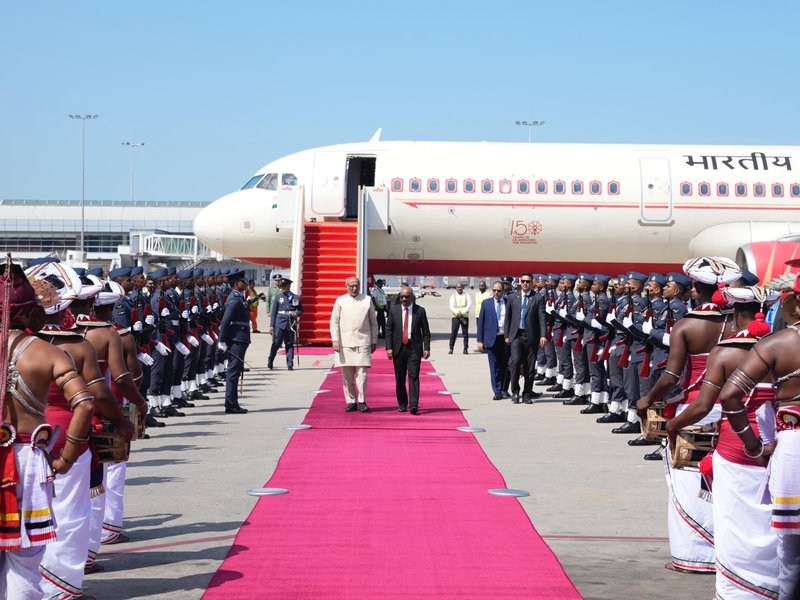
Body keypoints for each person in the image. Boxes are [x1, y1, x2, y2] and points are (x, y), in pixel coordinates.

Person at [666, 285, 780, 599]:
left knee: (733, 523)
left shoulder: (726, 351)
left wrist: (674, 425)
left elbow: (703, 406)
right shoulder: (781, 346)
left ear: (732, 314)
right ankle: (771, 587)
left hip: (737, 448)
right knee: (773, 520)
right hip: (778, 448)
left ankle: (739, 591)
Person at [637, 256, 742, 574]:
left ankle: (694, 557)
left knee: (688, 484)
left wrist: (648, 399)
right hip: (729, 411)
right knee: (719, 482)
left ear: (694, 288)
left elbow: (670, 377)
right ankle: (724, 552)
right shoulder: (734, 324)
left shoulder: (685, 327)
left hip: (693, 413)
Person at [0, 261, 96, 600]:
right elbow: (85, 403)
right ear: (28, 313)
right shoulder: (48, 352)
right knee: (26, 560)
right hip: (28, 461)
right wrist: (67, 457)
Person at [718, 262, 800, 599]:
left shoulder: (778, 344)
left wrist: (753, 446)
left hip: (793, 449)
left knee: (792, 554)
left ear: (791, 303)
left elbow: (730, 396)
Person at [330, 277, 378, 412]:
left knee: (362, 374)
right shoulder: (340, 300)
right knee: (347, 376)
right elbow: (334, 321)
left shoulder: (367, 300)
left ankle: (362, 401)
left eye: (356, 286)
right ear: (346, 286)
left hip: (363, 341)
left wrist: (374, 340)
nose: (354, 288)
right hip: (344, 342)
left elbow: (374, 322)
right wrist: (335, 339)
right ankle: (351, 401)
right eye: (351, 286)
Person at [386, 286, 431, 414]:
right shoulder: (393, 311)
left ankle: (414, 405)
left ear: (412, 297)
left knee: (414, 376)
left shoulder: (420, 311)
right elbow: (389, 330)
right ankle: (402, 403)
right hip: (398, 349)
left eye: (407, 297)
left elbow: (426, 332)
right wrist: (389, 348)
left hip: (414, 349)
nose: (404, 299)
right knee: (400, 378)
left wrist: (426, 347)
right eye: (402, 297)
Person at [504, 272, 547, 404]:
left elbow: (542, 318)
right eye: (523, 281)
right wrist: (506, 335)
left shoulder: (538, 298)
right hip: (516, 335)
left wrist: (543, 335)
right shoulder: (512, 297)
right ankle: (515, 391)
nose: (525, 284)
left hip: (532, 337)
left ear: (532, 283)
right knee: (515, 362)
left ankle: (527, 393)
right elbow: (508, 318)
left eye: (528, 281)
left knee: (529, 366)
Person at [218, 270, 251, 414]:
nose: (245, 283)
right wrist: (222, 339)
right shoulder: (234, 298)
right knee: (233, 372)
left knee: (236, 372)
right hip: (236, 339)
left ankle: (233, 402)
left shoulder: (239, 297)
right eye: (243, 281)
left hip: (240, 338)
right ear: (236, 284)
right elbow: (225, 320)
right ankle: (230, 404)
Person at [477, 281, 510, 400]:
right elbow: (481, 323)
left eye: (499, 290)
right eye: (494, 290)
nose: (496, 293)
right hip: (491, 338)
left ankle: (502, 388)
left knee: (504, 365)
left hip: (505, 339)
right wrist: (480, 340)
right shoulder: (486, 304)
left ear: (503, 291)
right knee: (494, 365)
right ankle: (497, 391)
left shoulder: (508, 302)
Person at [268, 278, 303, 370]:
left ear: (288, 287)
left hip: (290, 323)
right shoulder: (278, 296)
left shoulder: (296, 297)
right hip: (279, 323)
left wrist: (297, 313)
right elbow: (274, 312)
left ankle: (290, 364)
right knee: (276, 343)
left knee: (289, 344)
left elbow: (301, 310)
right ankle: (271, 359)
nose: (283, 288)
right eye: (282, 287)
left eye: (284, 286)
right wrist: (271, 326)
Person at [448, 282, 472, 354]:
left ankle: (465, 348)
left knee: (465, 333)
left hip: (464, 317)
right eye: (458, 287)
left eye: (460, 287)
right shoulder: (453, 296)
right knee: (454, 333)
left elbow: (469, 305)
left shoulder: (467, 296)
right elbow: (451, 306)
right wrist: (457, 313)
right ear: (456, 288)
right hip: (455, 317)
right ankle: (451, 348)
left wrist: (462, 313)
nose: (459, 289)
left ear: (463, 288)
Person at [474, 280, 492, 351]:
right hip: (478, 315)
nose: (481, 287)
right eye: (480, 286)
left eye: (482, 286)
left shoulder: (488, 294)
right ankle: (480, 345)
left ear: (485, 286)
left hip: (485, 316)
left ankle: (485, 345)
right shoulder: (477, 294)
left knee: (485, 331)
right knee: (479, 330)